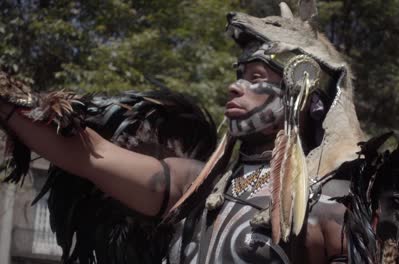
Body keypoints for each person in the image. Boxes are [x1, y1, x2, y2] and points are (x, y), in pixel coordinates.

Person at [0, 2, 365, 263]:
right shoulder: (196, 186)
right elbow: (93, 155)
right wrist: (7, 105)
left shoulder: (335, 211)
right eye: (239, 76)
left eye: (256, 79)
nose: (235, 87)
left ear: (302, 96)